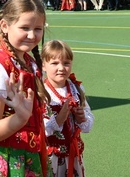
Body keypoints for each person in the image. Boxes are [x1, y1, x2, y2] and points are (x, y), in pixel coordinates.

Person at [0, 0, 51, 176]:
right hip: (7, 157)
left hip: (28, 152)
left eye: (38, 29)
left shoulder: (28, 61)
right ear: (5, 26)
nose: (32, 35)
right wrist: (20, 119)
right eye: (24, 28)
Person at [41, 40, 94, 177]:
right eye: (54, 63)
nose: (61, 68)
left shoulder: (76, 89)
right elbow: (39, 128)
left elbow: (87, 124)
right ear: (43, 65)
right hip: (50, 156)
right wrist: (58, 119)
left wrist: (82, 118)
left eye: (66, 63)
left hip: (73, 155)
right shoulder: (41, 92)